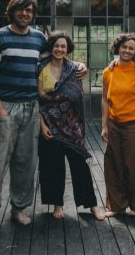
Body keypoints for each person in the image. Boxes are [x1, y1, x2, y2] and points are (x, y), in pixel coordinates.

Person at [0, 0, 86, 233]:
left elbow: (57, 59)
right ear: (12, 11)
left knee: (25, 162)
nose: (25, 14)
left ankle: (19, 209)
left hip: (32, 107)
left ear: (33, 14)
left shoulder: (38, 39)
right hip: (6, 107)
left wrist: (79, 65)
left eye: (29, 10)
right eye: (20, 9)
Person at [38, 31, 105, 221]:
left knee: (80, 166)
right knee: (53, 166)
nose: (59, 49)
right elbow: (38, 99)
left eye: (63, 46)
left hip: (73, 125)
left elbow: (77, 89)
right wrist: (41, 124)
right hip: (49, 123)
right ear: (51, 47)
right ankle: (57, 205)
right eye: (56, 46)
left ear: (68, 49)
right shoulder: (41, 68)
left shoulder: (75, 68)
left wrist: (84, 65)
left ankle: (92, 205)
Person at [101, 33, 135, 217]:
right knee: (113, 163)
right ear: (118, 48)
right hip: (114, 123)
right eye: (124, 47)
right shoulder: (109, 71)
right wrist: (104, 126)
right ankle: (116, 206)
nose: (127, 51)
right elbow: (104, 100)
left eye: (131, 48)